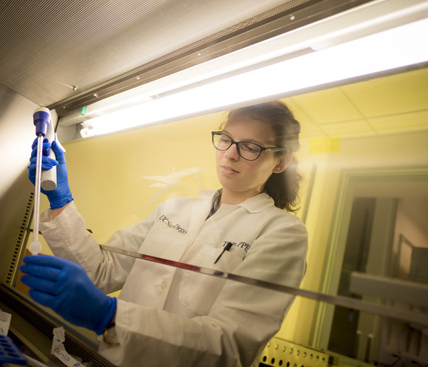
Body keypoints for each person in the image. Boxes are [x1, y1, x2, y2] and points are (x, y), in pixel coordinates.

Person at [21, 100, 308, 367]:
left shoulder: (282, 233)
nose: (230, 154)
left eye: (250, 146)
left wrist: (110, 316)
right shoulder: (174, 210)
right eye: (226, 140)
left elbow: (230, 345)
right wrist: (60, 200)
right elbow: (100, 272)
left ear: (280, 162)